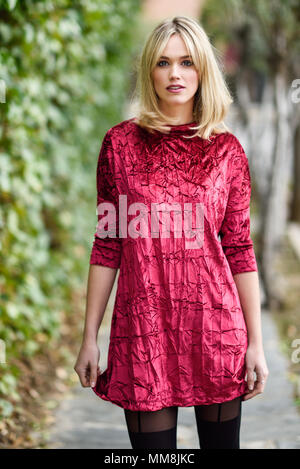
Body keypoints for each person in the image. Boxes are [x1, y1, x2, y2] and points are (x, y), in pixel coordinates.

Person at [74, 16, 269, 450]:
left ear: (203, 70)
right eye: (163, 62)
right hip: (143, 330)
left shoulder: (227, 152)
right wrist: (90, 337)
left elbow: (239, 248)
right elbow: (108, 243)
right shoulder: (119, 146)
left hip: (215, 330)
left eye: (186, 62)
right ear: (149, 70)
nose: (175, 74)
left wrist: (256, 344)